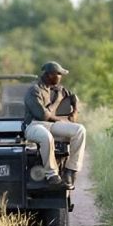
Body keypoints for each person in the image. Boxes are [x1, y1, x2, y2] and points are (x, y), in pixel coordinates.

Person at [23, 61, 85, 189]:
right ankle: (52, 175)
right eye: (59, 74)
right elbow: (42, 115)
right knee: (46, 137)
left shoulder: (53, 88)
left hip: (49, 124)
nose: (61, 77)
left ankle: (70, 170)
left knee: (79, 130)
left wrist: (75, 108)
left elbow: (73, 103)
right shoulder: (34, 90)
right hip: (33, 125)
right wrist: (57, 101)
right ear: (50, 75)